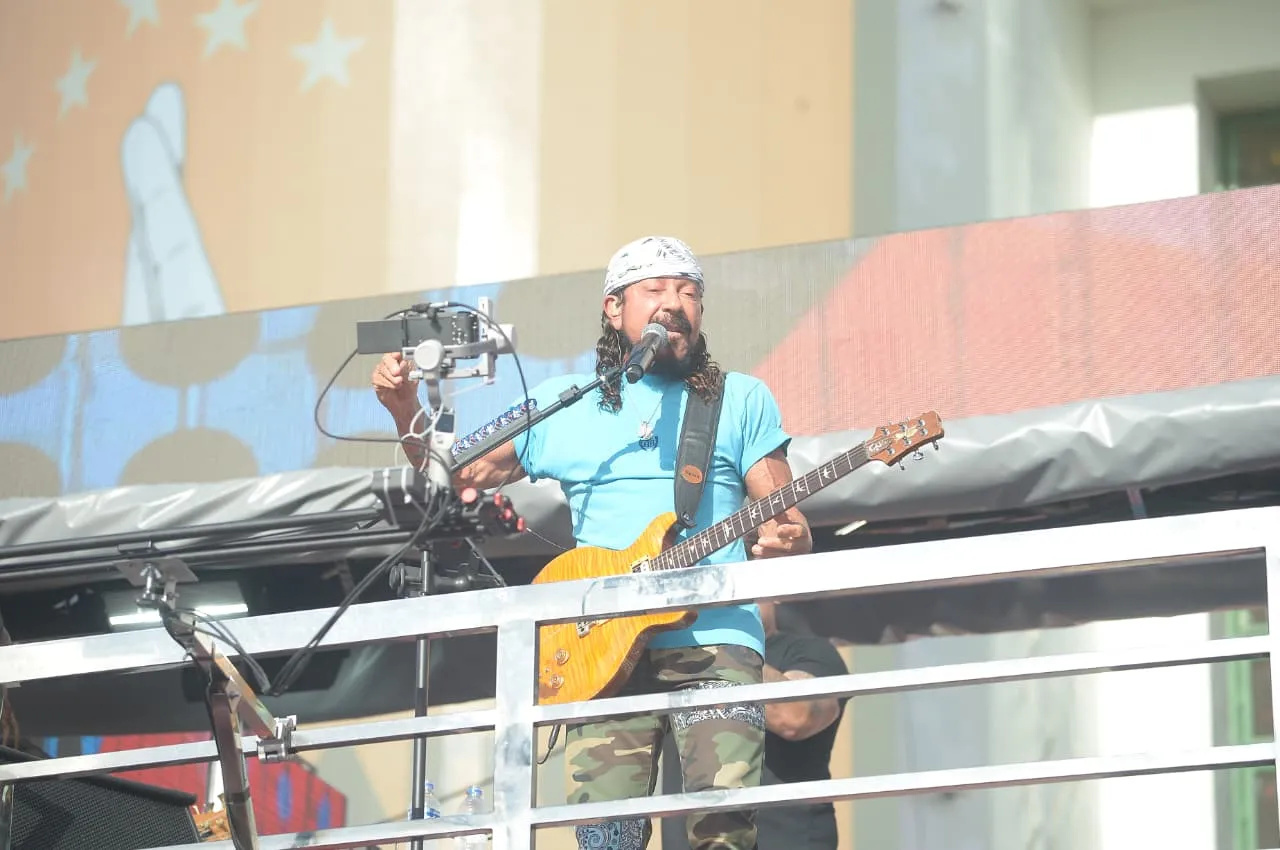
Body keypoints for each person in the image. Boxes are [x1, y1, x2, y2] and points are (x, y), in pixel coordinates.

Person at [371, 235, 813, 850]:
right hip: (598, 646)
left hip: (714, 639)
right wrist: (404, 409)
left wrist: (788, 540)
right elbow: (455, 473)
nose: (676, 304)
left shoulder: (740, 397)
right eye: (656, 291)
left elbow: (784, 520)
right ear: (614, 309)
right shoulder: (564, 403)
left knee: (724, 827)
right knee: (606, 838)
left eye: (689, 293)